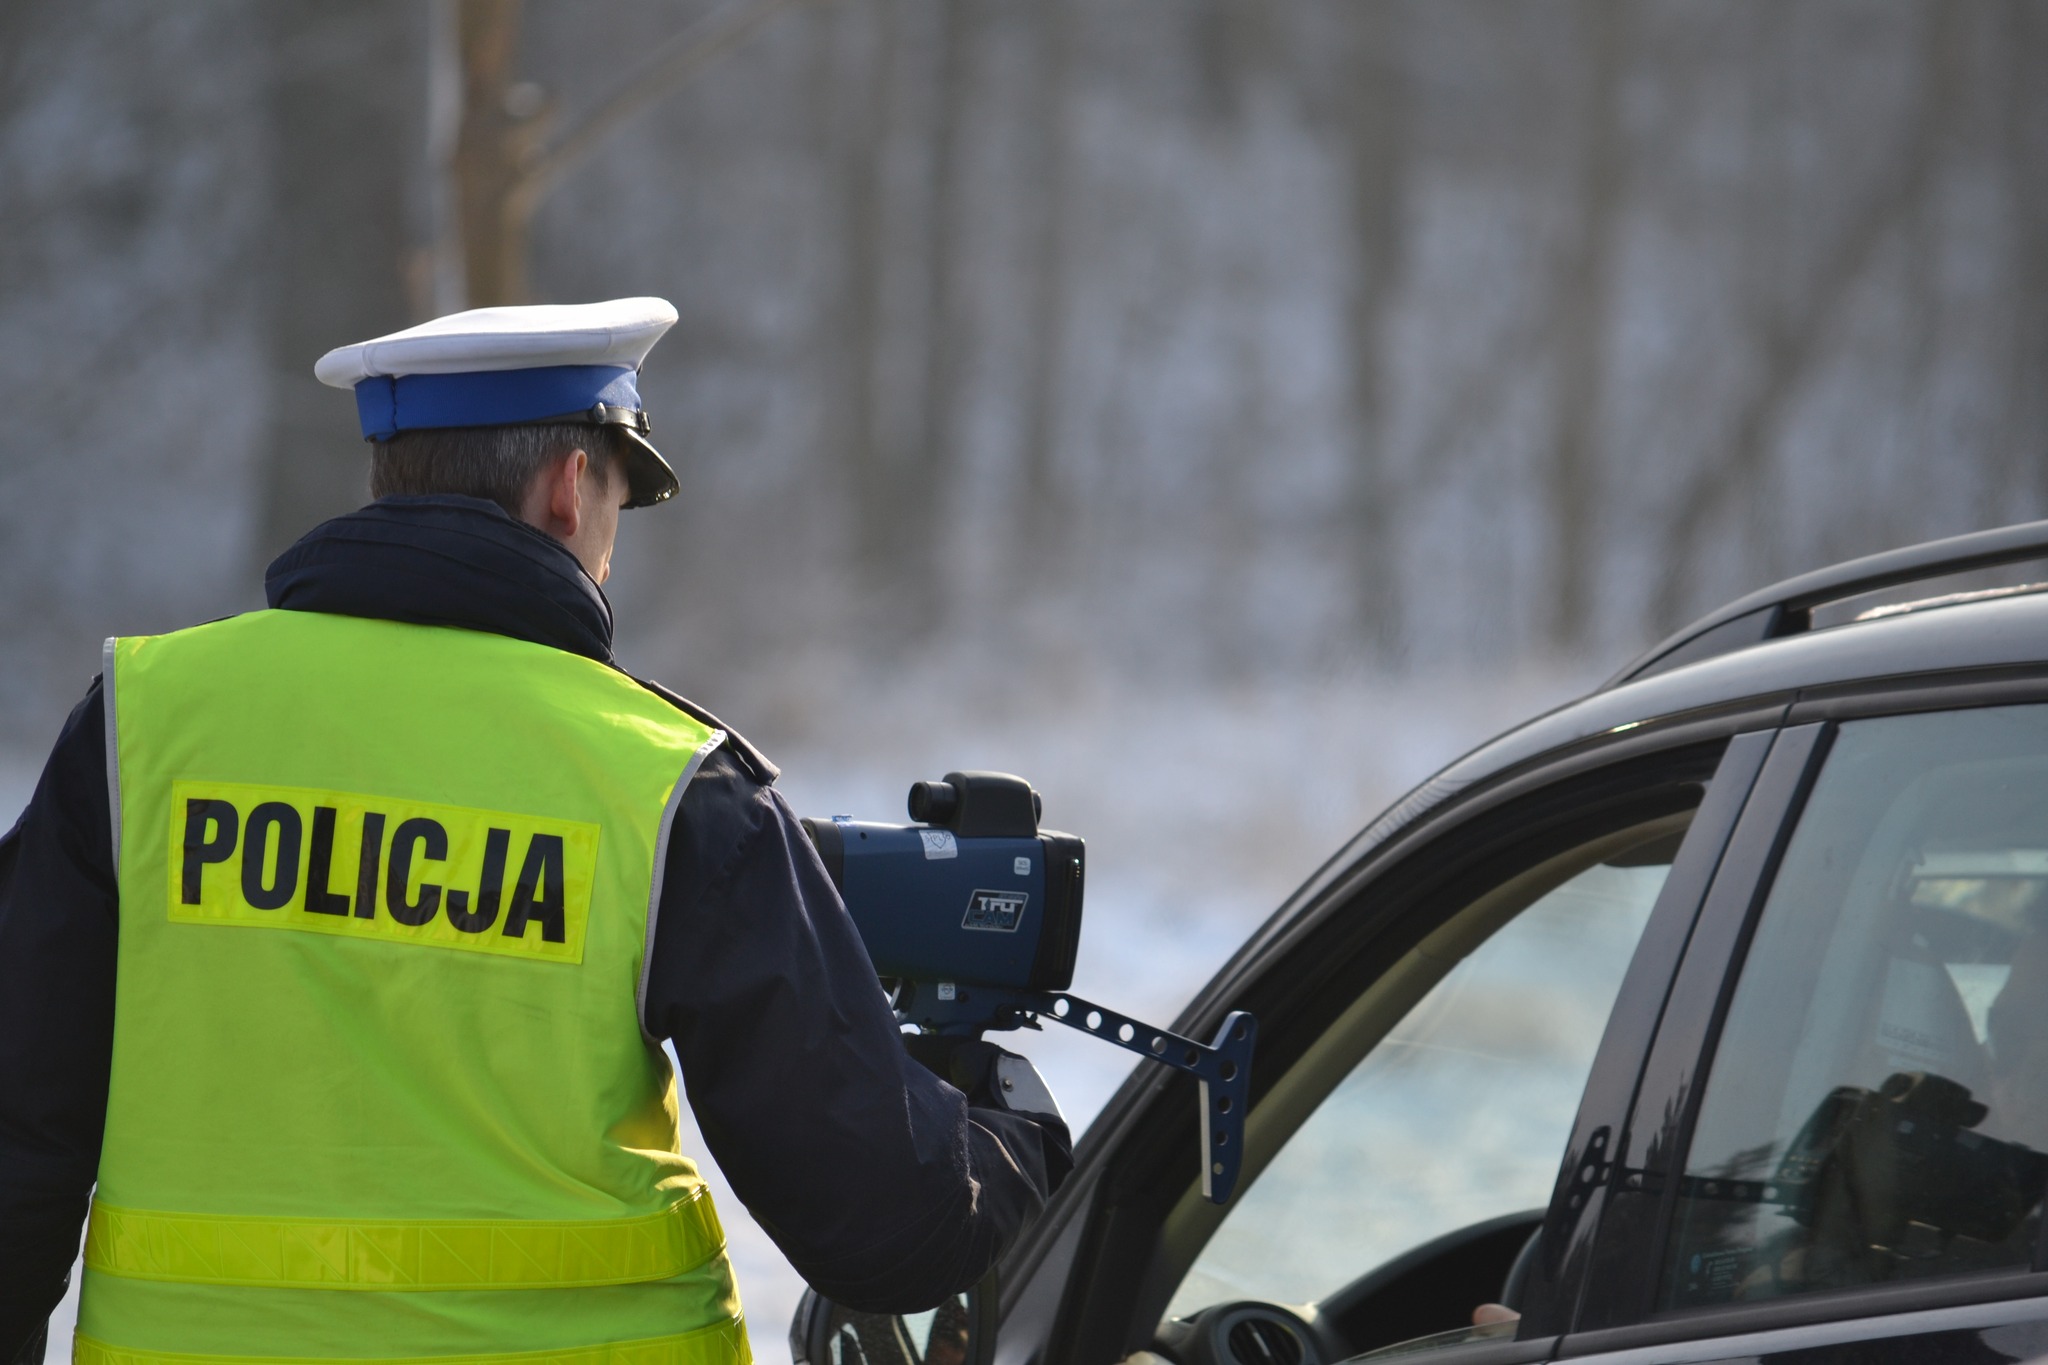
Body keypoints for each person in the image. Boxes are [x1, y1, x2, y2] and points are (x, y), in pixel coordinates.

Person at [0, 298, 1071, 1365]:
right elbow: (885, 1233)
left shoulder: (144, 725)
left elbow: (18, 1132)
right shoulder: (667, 785)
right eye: (616, 499)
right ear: (568, 489)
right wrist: (999, 1129)